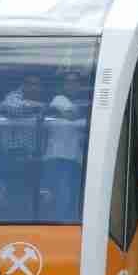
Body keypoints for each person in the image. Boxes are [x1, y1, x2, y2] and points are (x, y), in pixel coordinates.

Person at [0, 71, 47, 220]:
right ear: (23, 85)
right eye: (29, 84)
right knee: (13, 201)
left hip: (35, 160)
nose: (33, 88)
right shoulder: (13, 96)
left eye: (36, 85)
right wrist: (40, 106)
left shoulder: (41, 100)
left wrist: (41, 106)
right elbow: (12, 107)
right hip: (14, 158)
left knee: (32, 202)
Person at [42, 71, 86, 221]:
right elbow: (72, 114)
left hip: (75, 160)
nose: (72, 85)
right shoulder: (58, 99)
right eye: (68, 82)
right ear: (62, 85)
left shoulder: (83, 101)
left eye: (75, 82)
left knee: (73, 199)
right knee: (61, 198)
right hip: (58, 158)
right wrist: (84, 113)